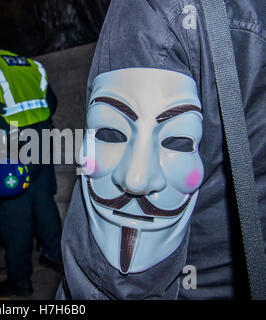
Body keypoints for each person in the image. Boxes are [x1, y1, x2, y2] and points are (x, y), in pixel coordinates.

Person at [56, 0, 265, 300]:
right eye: (112, 134)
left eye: (176, 141)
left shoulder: (159, 10)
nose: (137, 179)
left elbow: (118, 283)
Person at [0, 48, 63, 296]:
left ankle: (20, 281)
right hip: (43, 139)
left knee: (15, 215)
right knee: (44, 202)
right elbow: (51, 103)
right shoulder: (29, 64)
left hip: (13, 146)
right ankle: (56, 256)